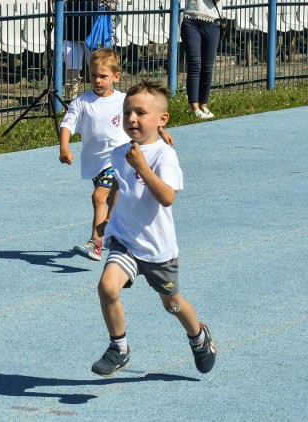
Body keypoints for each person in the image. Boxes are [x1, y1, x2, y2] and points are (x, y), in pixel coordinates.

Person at [90, 80, 216, 377]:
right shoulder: (120, 152)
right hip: (125, 241)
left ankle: (198, 336)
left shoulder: (164, 156)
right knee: (107, 287)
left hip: (157, 249)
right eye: (127, 112)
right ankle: (118, 348)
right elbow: (122, 186)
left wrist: (143, 167)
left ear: (162, 120)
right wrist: (109, 218)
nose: (132, 118)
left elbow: (167, 197)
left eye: (141, 113)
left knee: (172, 304)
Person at [59, 48, 173, 262]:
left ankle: (96, 242)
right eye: (93, 75)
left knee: (99, 197)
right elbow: (67, 124)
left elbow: (141, 118)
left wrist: (160, 130)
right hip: (96, 163)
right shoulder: (81, 102)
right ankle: (121, 234)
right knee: (113, 199)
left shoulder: (123, 100)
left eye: (103, 76)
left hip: (121, 158)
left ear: (116, 77)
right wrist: (64, 147)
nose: (97, 80)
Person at [180, 0, 223, 119]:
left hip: (213, 22)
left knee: (208, 67)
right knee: (194, 64)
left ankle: (203, 105)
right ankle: (194, 108)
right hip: (191, 20)